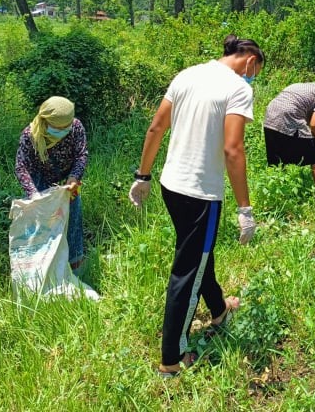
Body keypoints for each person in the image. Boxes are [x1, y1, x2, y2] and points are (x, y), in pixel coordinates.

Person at [128, 34, 265, 378]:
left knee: (200, 254)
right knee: (187, 272)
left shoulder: (187, 74)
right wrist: (245, 209)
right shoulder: (238, 88)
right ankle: (172, 360)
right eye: (256, 71)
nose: (253, 78)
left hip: (171, 185)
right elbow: (233, 150)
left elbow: (156, 126)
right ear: (250, 60)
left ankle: (219, 311)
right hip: (200, 194)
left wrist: (142, 175)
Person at [15, 96, 88, 270]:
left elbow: (81, 155)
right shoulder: (31, 135)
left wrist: (73, 178)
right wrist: (35, 195)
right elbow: (21, 167)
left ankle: (75, 261)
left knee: (72, 214)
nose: (64, 130)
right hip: (39, 178)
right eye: (59, 127)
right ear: (46, 122)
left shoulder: (76, 127)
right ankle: (44, 263)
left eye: (66, 126)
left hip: (66, 179)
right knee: (42, 220)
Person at [263, 77, 315, 205]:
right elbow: (314, 124)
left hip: (269, 119)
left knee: (278, 161)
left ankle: (277, 198)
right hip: (289, 119)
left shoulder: (303, 86)